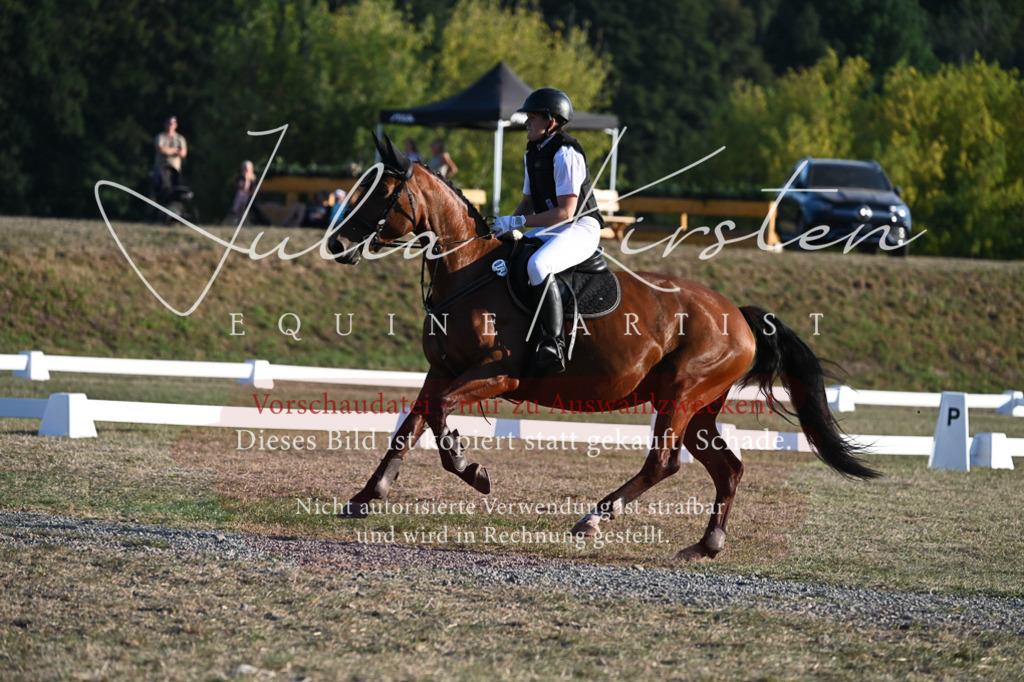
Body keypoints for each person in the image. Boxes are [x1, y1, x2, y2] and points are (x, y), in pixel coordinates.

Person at [489, 88, 605, 374]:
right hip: (553, 227)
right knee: (506, 255)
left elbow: (566, 212)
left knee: (538, 264)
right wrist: (504, 225)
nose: (526, 122)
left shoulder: (566, 152)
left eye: (532, 117)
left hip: (580, 226)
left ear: (551, 121)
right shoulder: (533, 150)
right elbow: (528, 202)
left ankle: (553, 344)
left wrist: (517, 224)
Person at [153, 115, 187, 196]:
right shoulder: (160, 137)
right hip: (160, 170)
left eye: (172, 123)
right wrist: (175, 150)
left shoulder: (180, 138)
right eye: (168, 123)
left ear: (176, 125)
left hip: (175, 171)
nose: (170, 125)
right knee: (154, 194)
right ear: (165, 124)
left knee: (176, 193)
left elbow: (183, 153)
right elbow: (160, 149)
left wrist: (167, 149)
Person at [228, 160, 269, 225]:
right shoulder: (240, 178)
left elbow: (253, 191)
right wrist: (246, 179)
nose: (246, 170)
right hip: (243, 199)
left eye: (247, 169)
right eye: (245, 168)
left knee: (242, 195)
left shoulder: (255, 179)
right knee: (241, 194)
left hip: (250, 199)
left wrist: (248, 179)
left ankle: (234, 211)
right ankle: (236, 213)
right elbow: (243, 189)